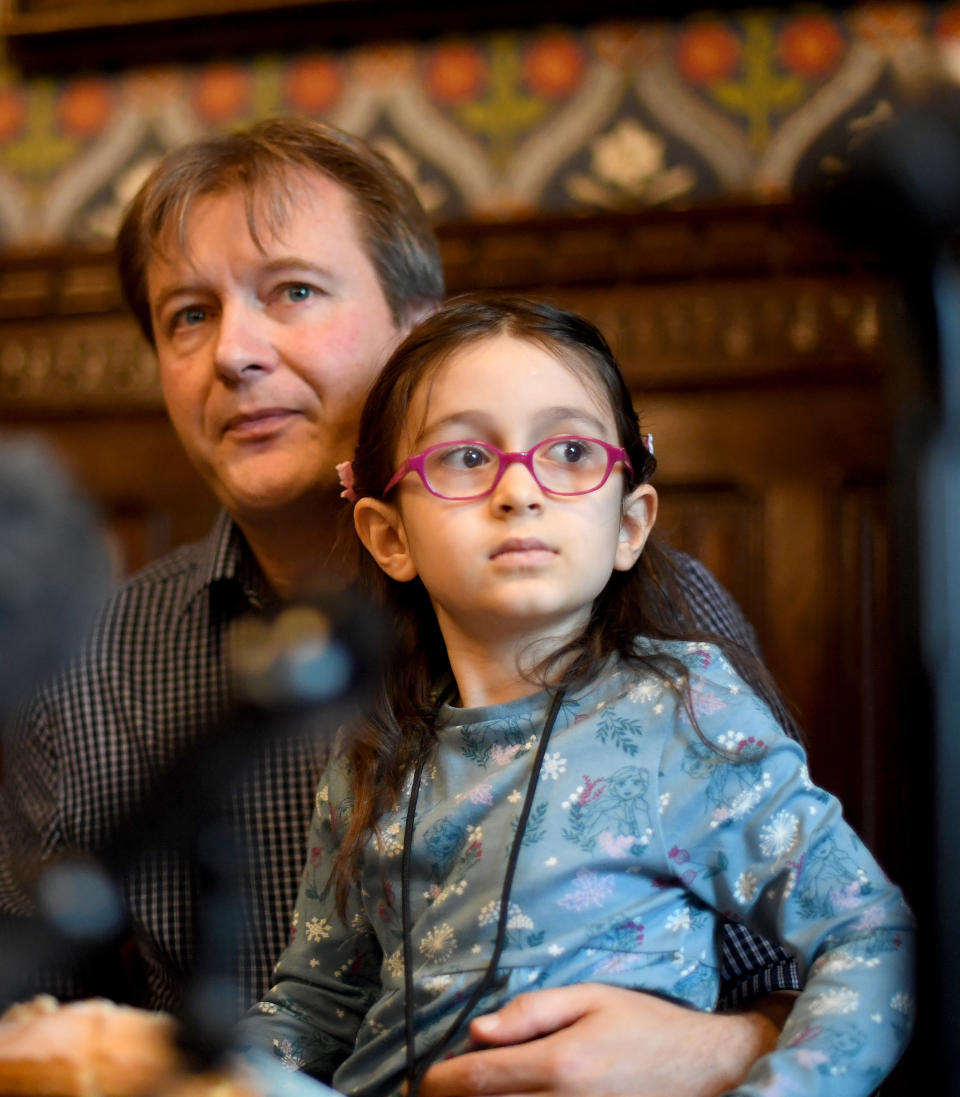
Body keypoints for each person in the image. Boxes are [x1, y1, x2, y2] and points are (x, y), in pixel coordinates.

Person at [0, 117, 799, 1095]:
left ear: (417, 329)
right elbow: (30, 1019)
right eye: (187, 316)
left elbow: (823, 978)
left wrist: (717, 1050)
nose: (234, 353)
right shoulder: (86, 664)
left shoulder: (649, 607)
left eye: (292, 290)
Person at [240, 294, 914, 1097]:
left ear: (630, 524)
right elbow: (314, 1008)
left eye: (566, 450)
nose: (519, 491)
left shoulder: (682, 710)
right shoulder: (370, 749)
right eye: (464, 457)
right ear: (391, 537)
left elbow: (871, 931)